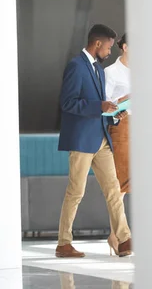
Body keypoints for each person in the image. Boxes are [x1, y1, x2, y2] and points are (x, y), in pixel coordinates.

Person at [56, 24, 132, 258]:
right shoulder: (76, 66)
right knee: (76, 192)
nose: (110, 51)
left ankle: (124, 239)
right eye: (109, 46)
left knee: (113, 188)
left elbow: (102, 106)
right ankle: (63, 243)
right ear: (97, 43)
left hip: (102, 137)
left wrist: (115, 114)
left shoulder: (98, 69)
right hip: (81, 139)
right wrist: (99, 106)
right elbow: (67, 103)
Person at [104, 33, 131, 255]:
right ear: (125, 47)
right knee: (121, 184)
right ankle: (118, 236)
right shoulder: (111, 72)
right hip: (122, 126)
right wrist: (122, 101)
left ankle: (117, 236)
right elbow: (104, 103)